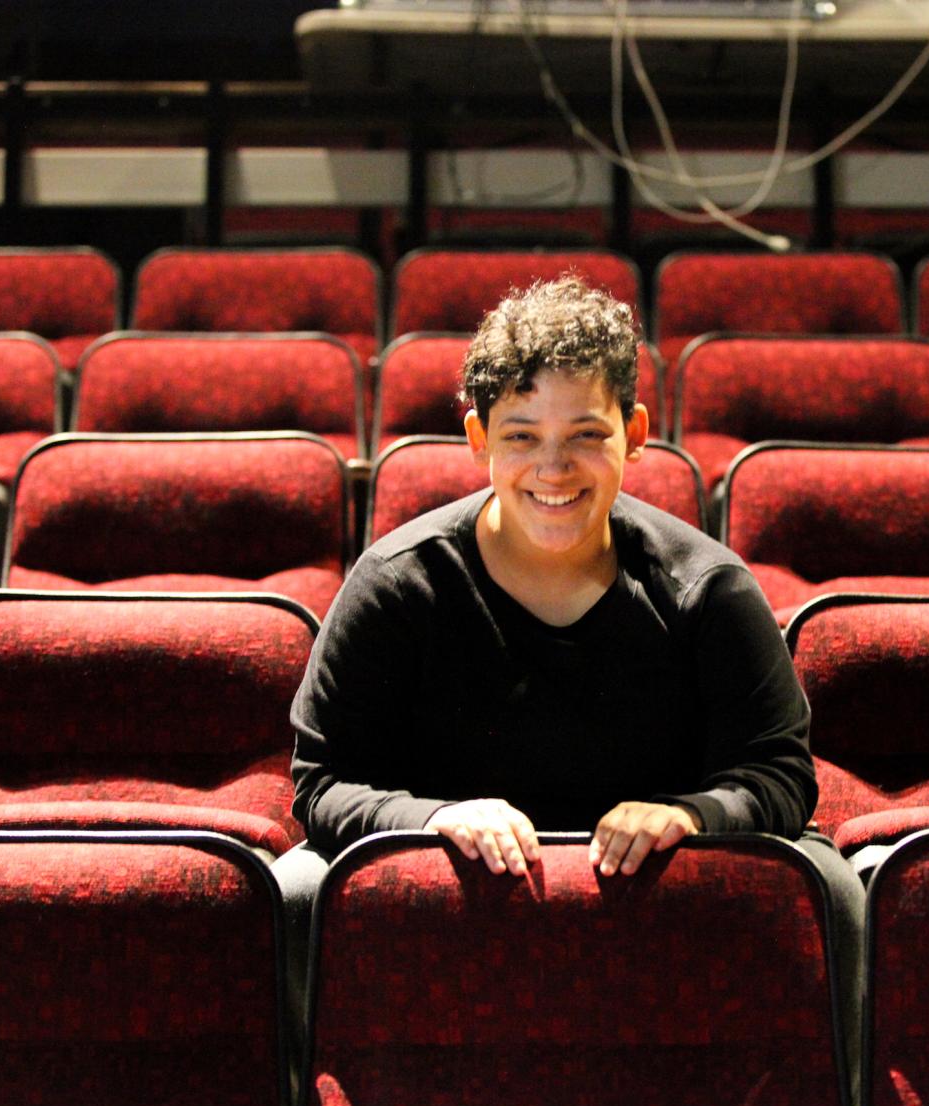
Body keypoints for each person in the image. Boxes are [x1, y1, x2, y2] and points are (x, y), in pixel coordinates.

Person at [290, 276, 815, 877]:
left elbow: (781, 775)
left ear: (636, 434)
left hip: (657, 906)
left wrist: (693, 814)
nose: (554, 468)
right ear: (479, 440)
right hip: (450, 907)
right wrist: (433, 818)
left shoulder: (707, 587)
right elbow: (322, 783)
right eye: (522, 437)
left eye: (586, 435)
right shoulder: (396, 584)